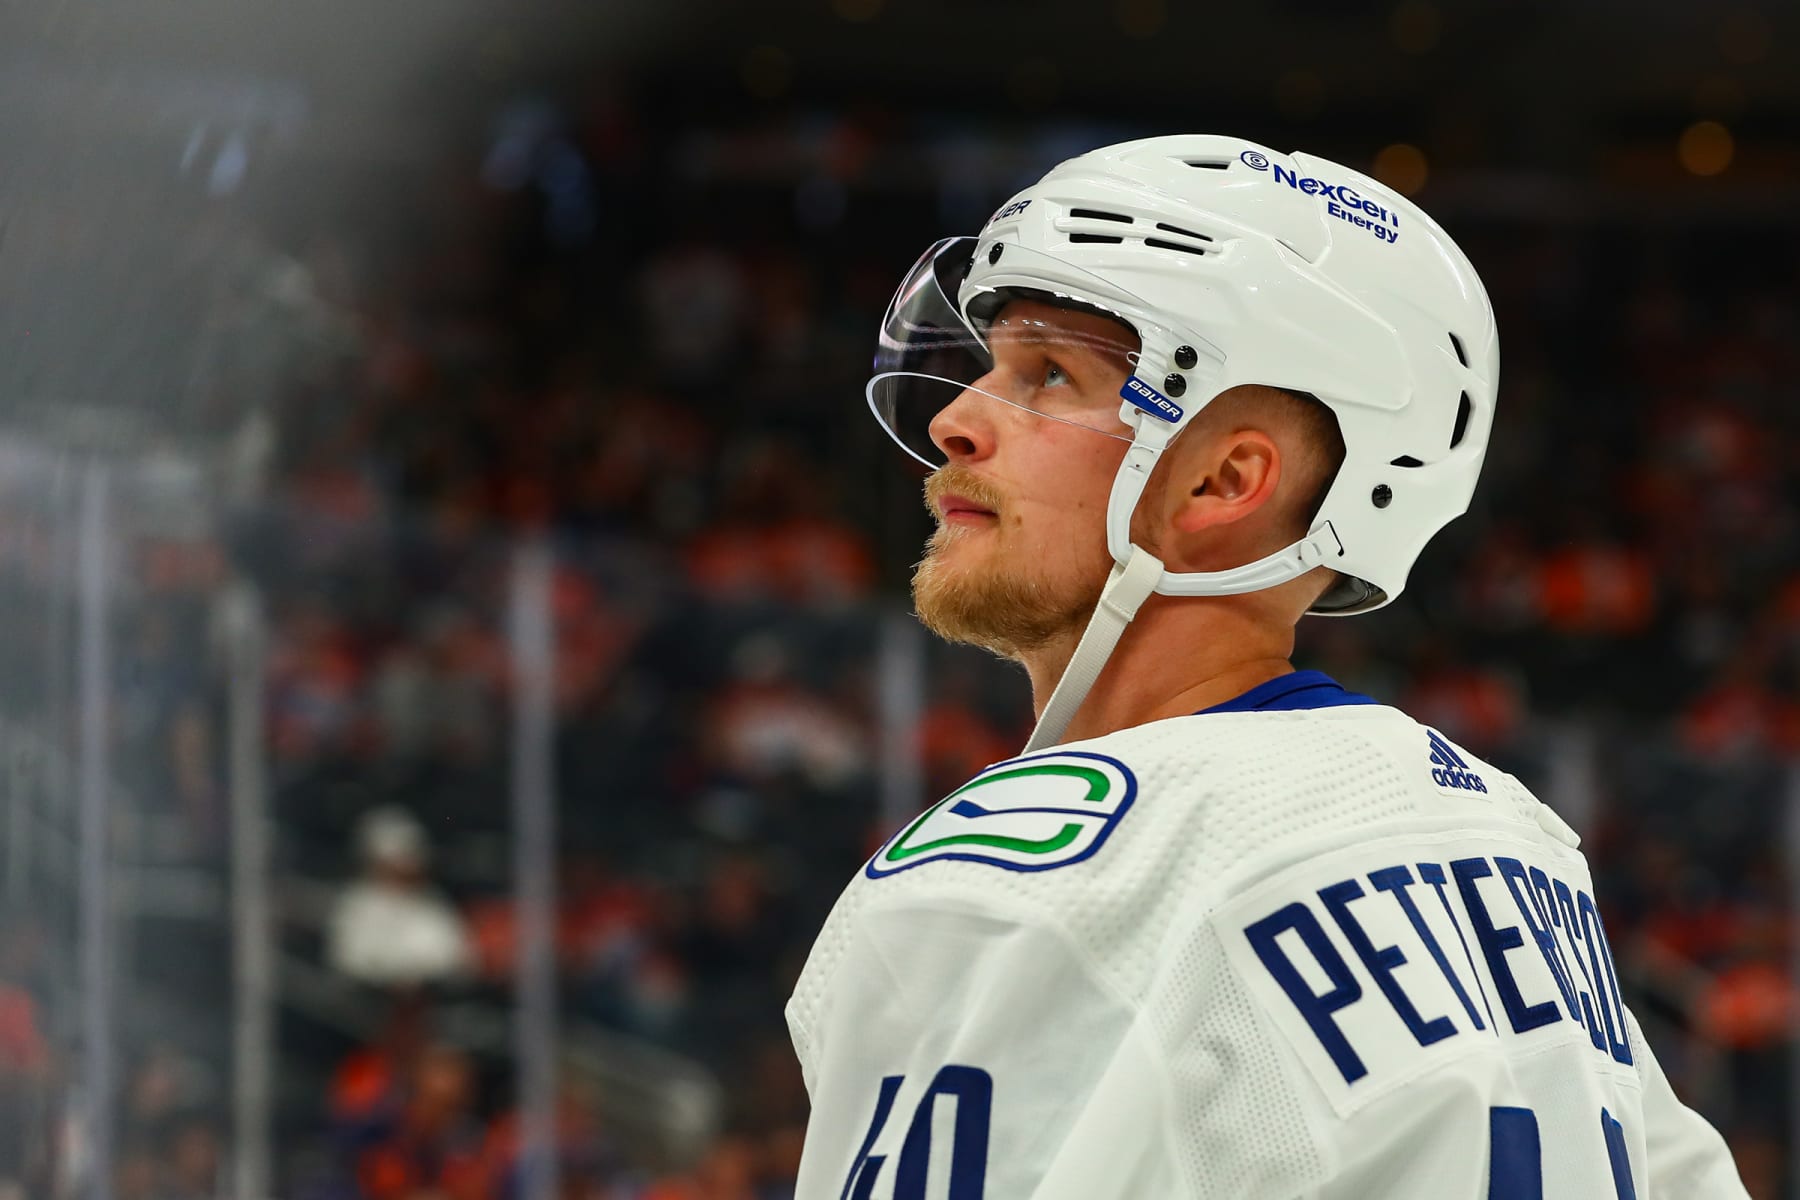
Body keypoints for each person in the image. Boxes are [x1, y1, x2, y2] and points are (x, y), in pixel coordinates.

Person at [785, 136, 1748, 1198]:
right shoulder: (1513, 841)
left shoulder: (1024, 875)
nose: (955, 419)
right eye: (989, 368)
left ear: (1224, 482)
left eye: (1048, 375)